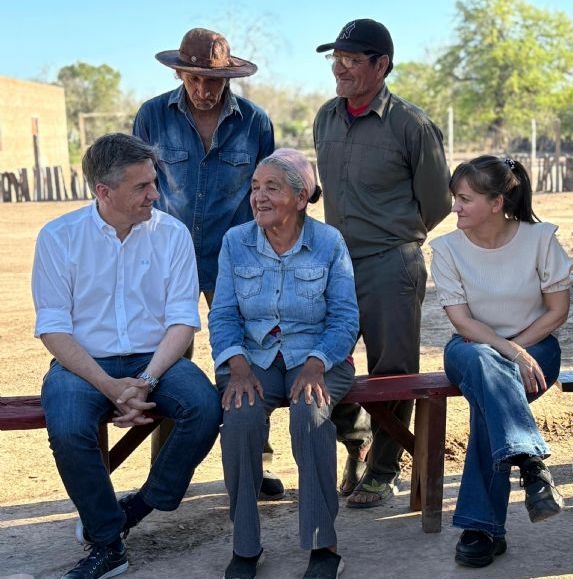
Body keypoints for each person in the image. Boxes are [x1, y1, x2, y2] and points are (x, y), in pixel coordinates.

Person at [32, 134, 221, 579]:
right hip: (81, 365)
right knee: (68, 427)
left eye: (153, 182)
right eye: (141, 187)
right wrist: (110, 386)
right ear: (104, 191)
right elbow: (53, 328)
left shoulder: (171, 234)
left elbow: (182, 322)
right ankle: (106, 543)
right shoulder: (59, 238)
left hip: (155, 360)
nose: (154, 194)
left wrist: (147, 380)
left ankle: (140, 505)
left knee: (206, 407)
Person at [132, 27, 283, 499]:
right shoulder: (152, 116)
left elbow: (267, 192)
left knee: (245, 354)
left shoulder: (255, 123)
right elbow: (140, 186)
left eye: (212, 81)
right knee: (169, 355)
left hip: (236, 256)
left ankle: (251, 467)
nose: (203, 89)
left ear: (228, 76)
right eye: (194, 79)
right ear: (180, 72)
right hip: (166, 256)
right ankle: (165, 471)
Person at [314, 18, 451, 507]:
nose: (341, 68)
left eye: (352, 60)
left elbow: (437, 203)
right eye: (338, 59)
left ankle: (384, 469)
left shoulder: (410, 125)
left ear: (382, 65)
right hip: (332, 264)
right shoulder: (326, 117)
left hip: (391, 263)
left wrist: (392, 237)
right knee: (319, 357)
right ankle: (355, 439)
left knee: (392, 370)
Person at [209, 149, 359, 579]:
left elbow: (345, 317)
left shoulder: (328, 242)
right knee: (239, 417)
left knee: (309, 414)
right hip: (254, 357)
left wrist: (316, 363)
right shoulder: (236, 242)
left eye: (271, 187)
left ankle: (323, 544)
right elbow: (222, 315)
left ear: (300, 197)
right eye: (255, 187)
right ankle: (245, 546)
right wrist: (236, 365)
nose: (258, 196)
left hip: (318, 354)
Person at [430, 156, 572, 568]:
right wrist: (508, 351)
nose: (454, 207)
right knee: (481, 363)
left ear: (496, 203)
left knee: (488, 403)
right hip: (470, 349)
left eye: (464, 199)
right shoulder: (446, 249)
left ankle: (482, 528)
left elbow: (557, 312)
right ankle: (529, 462)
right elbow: (461, 321)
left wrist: (517, 348)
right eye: (455, 198)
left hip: (538, 347)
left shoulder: (540, 238)